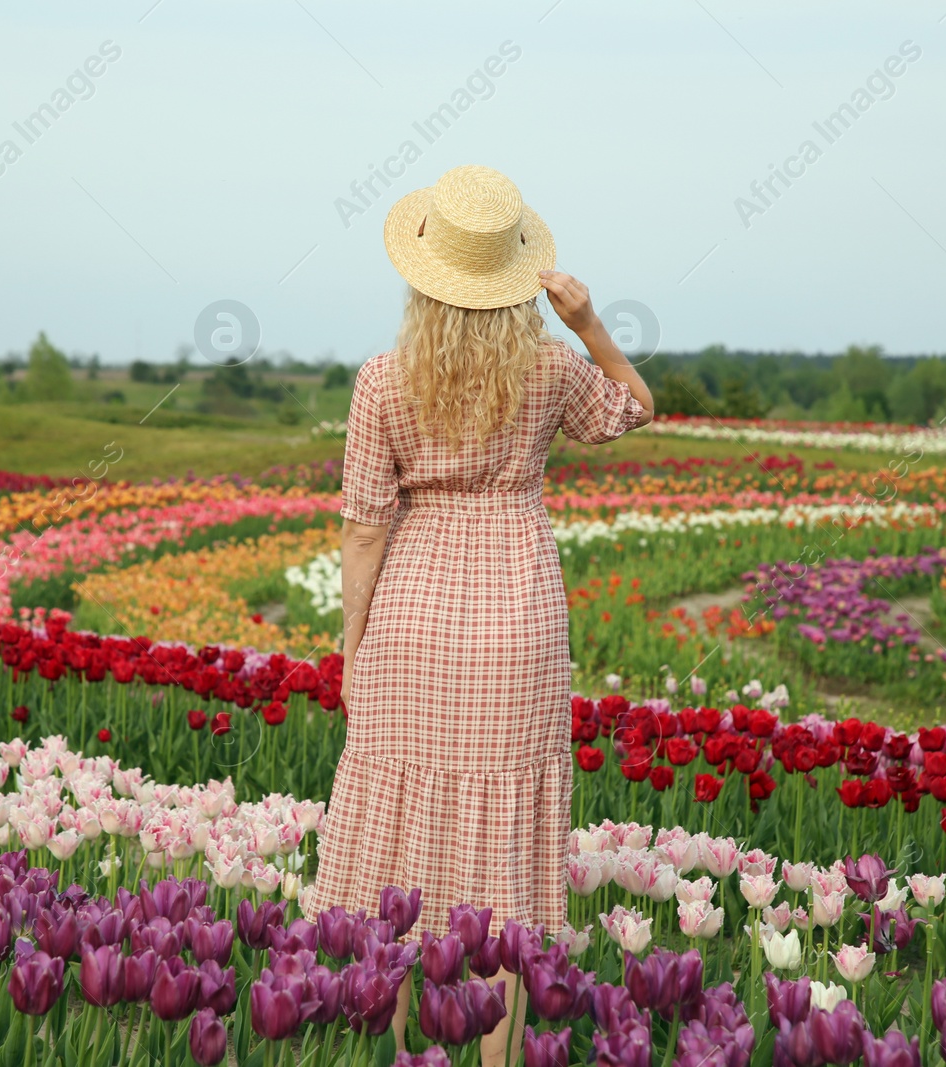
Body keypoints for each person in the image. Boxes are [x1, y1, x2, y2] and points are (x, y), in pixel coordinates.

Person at [306, 165, 653, 1066]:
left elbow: (363, 533)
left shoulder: (382, 380)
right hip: (517, 607)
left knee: (390, 830)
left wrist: (353, 651)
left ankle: (389, 1048)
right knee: (502, 832)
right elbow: (636, 409)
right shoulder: (548, 366)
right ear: (514, 273)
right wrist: (588, 323)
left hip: (413, 611)